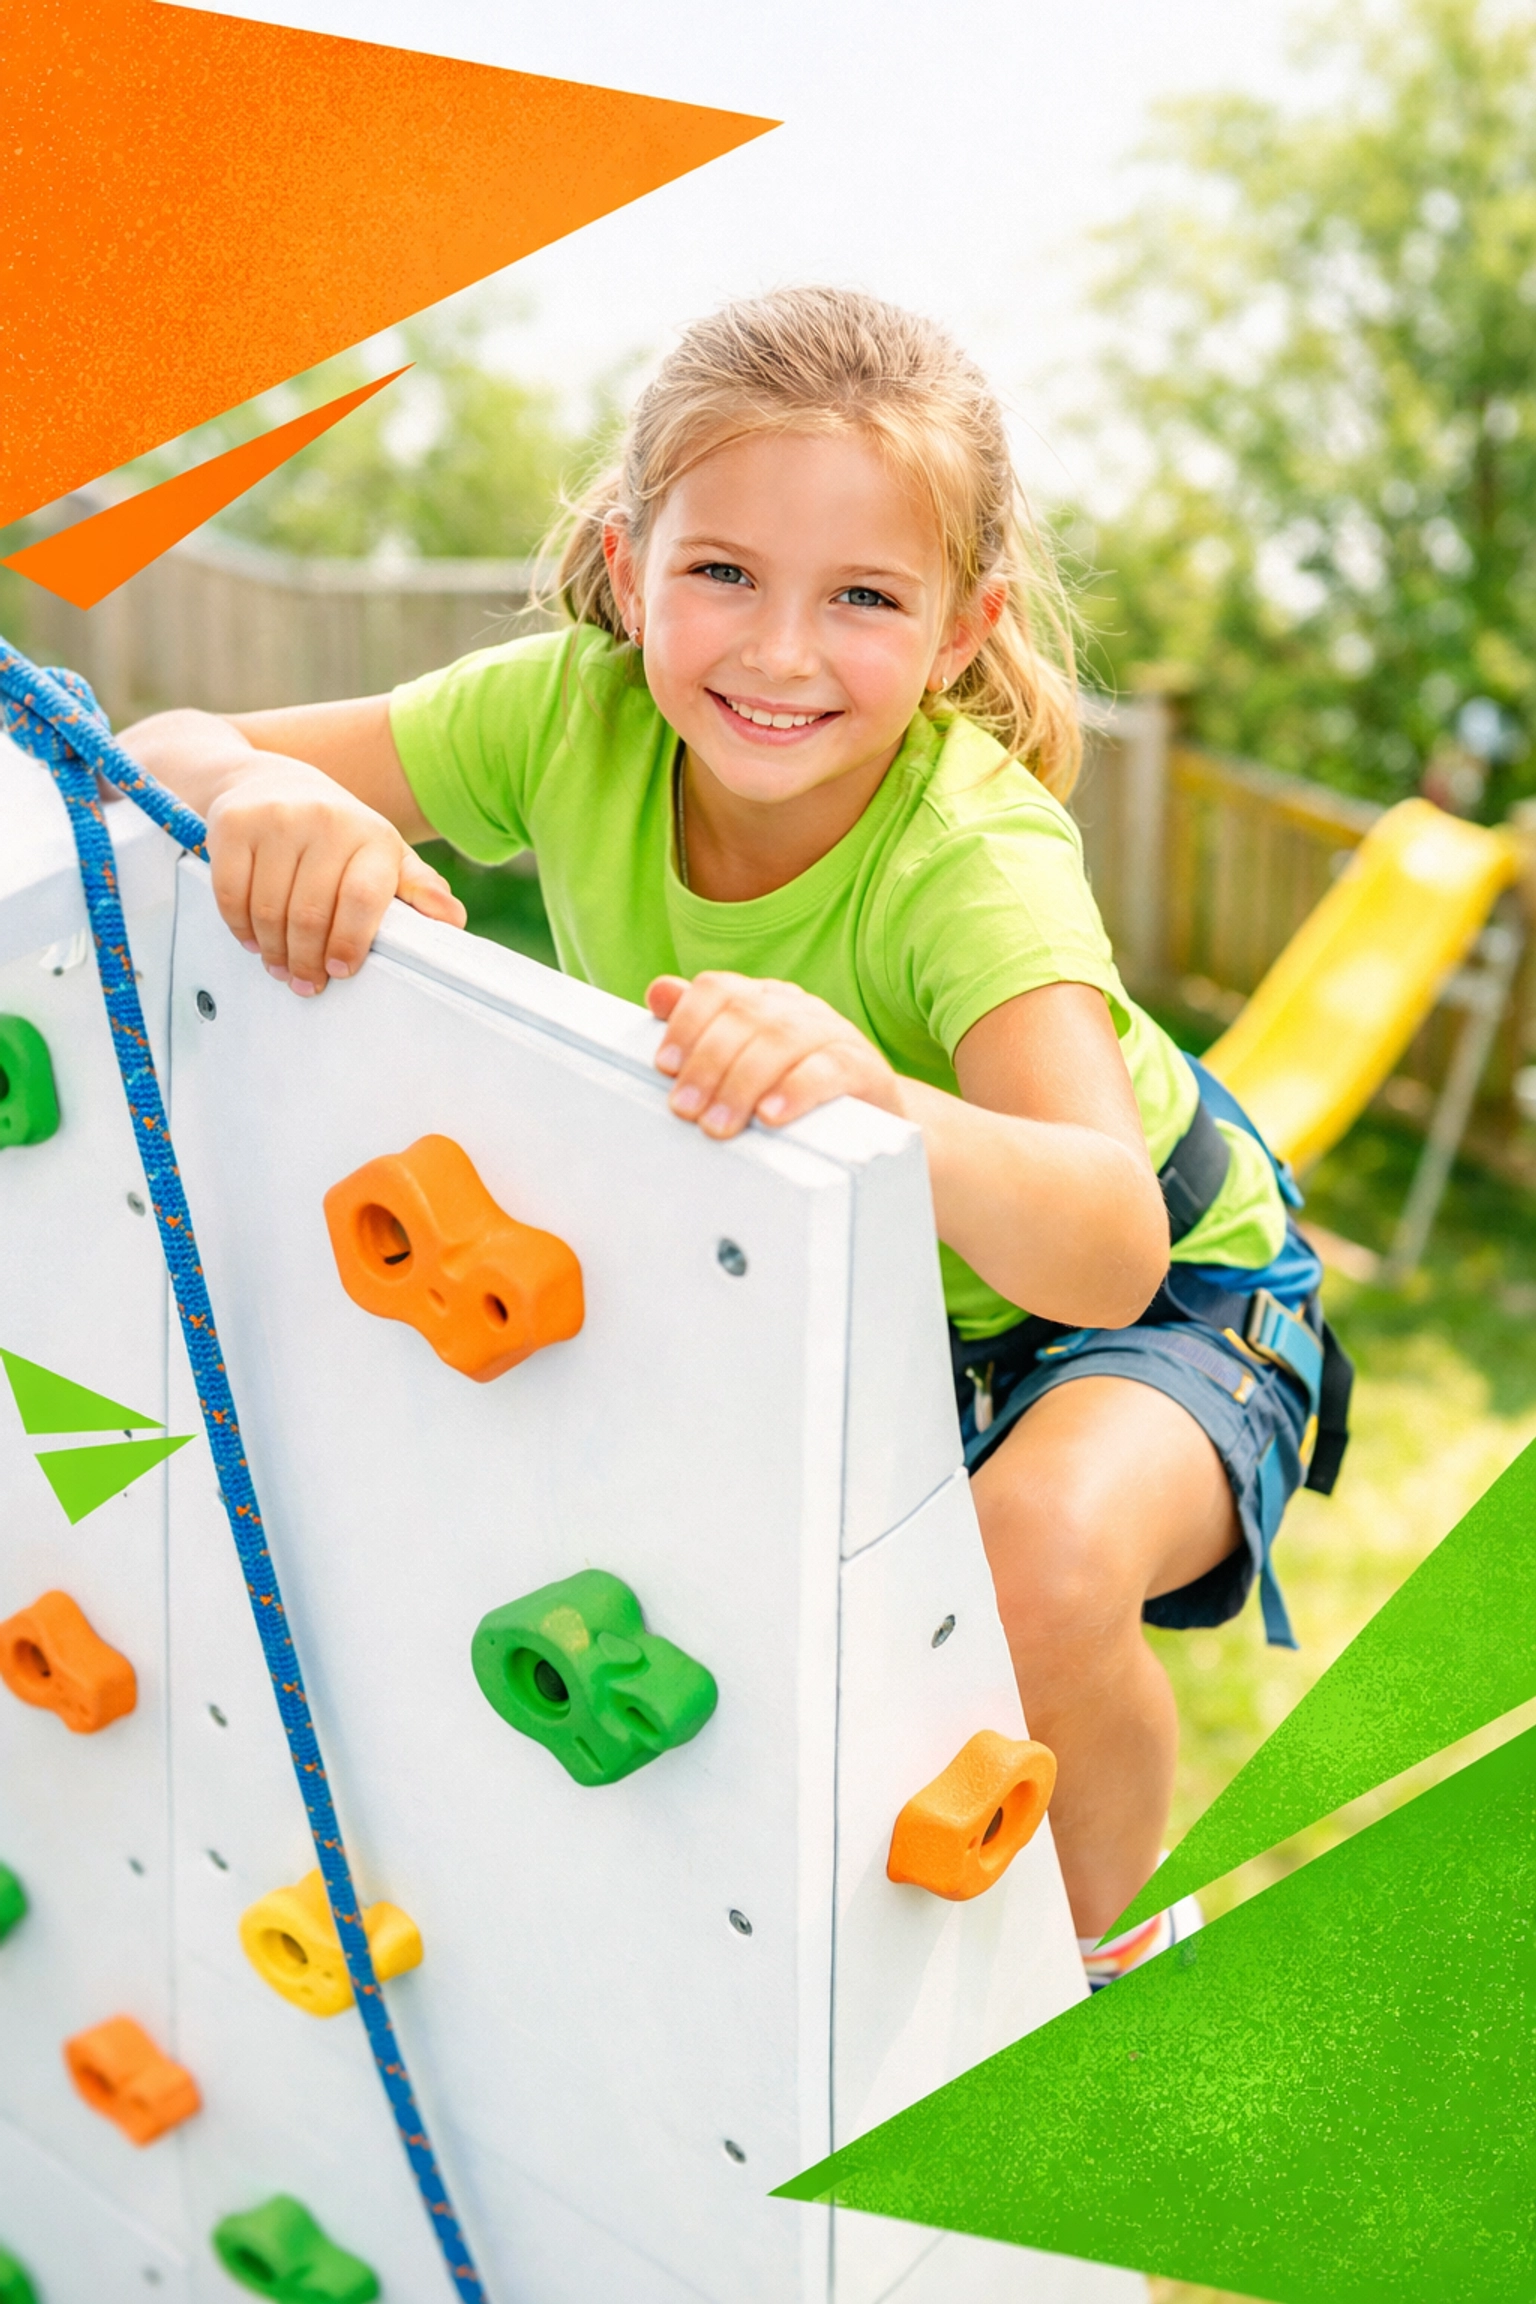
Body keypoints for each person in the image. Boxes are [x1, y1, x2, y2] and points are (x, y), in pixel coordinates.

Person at [119, 286, 1347, 1984]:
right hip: (870, 1287)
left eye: (862, 597)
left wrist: (884, 1099)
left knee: (1038, 1565)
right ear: (630, 571)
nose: (778, 651)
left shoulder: (969, 855)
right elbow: (156, 749)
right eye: (723, 574)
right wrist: (266, 797)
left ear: (963, 629)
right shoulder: (568, 715)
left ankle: (1101, 1942)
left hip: (1163, 1296)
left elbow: (1105, 1233)